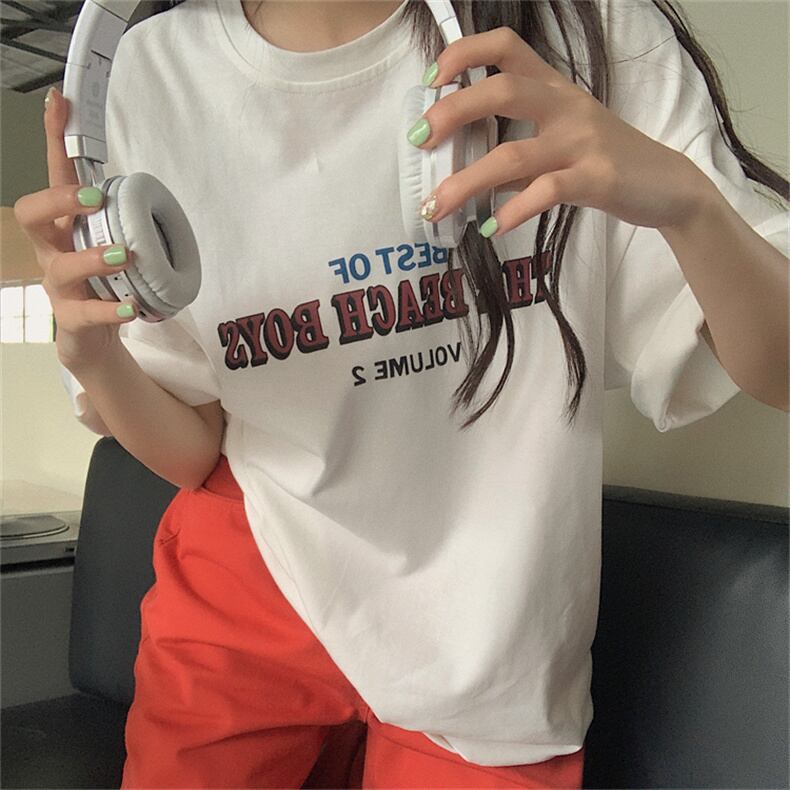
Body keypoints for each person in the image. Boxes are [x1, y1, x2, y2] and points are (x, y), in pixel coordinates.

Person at [14, 0, 788, 787]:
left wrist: (690, 204)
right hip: (247, 570)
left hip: (489, 618)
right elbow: (193, 451)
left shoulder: (584, 29)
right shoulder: (146, 70)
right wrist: (95, 355)